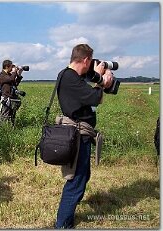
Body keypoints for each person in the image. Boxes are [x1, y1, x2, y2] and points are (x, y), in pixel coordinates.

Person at [55, 44, 113, 228]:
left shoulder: (70, 76)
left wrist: (96, 77)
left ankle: (69, 213)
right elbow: (95, 98)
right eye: (91, 63)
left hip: (81, 135)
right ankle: (62, 225)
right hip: (78, 135)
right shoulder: (70, 77)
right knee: (76, 180)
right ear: (87, 60)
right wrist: (101, 81)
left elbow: (87, 96)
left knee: (83, 175)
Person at [0, 60, 25, 126]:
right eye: (11, 66)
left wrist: (19, 74)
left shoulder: (9, 75)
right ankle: (2, 129)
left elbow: (15, 84)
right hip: (6, 98)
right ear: (6, 67)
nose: (12, 68)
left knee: (12, 115)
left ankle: (11, 127)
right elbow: (11, 79)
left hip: (12, 98)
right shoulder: (2, 75)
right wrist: (14, 72)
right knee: (5, 115)